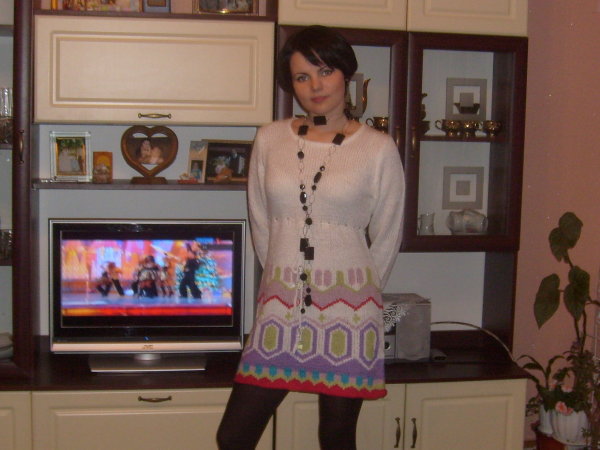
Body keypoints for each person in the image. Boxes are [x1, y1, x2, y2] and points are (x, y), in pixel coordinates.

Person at [217, 25, 405, 450]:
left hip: (349, 314)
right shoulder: (270, 138)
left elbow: (388, 233)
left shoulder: (378, 148)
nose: (315, 86)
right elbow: (261, 221)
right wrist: (282, 280)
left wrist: (358, 293)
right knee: (233, 436)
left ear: (346, 74)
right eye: (302, 77)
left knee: (336, 437)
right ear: (292, 84)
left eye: (325, 71)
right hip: (279, 310)